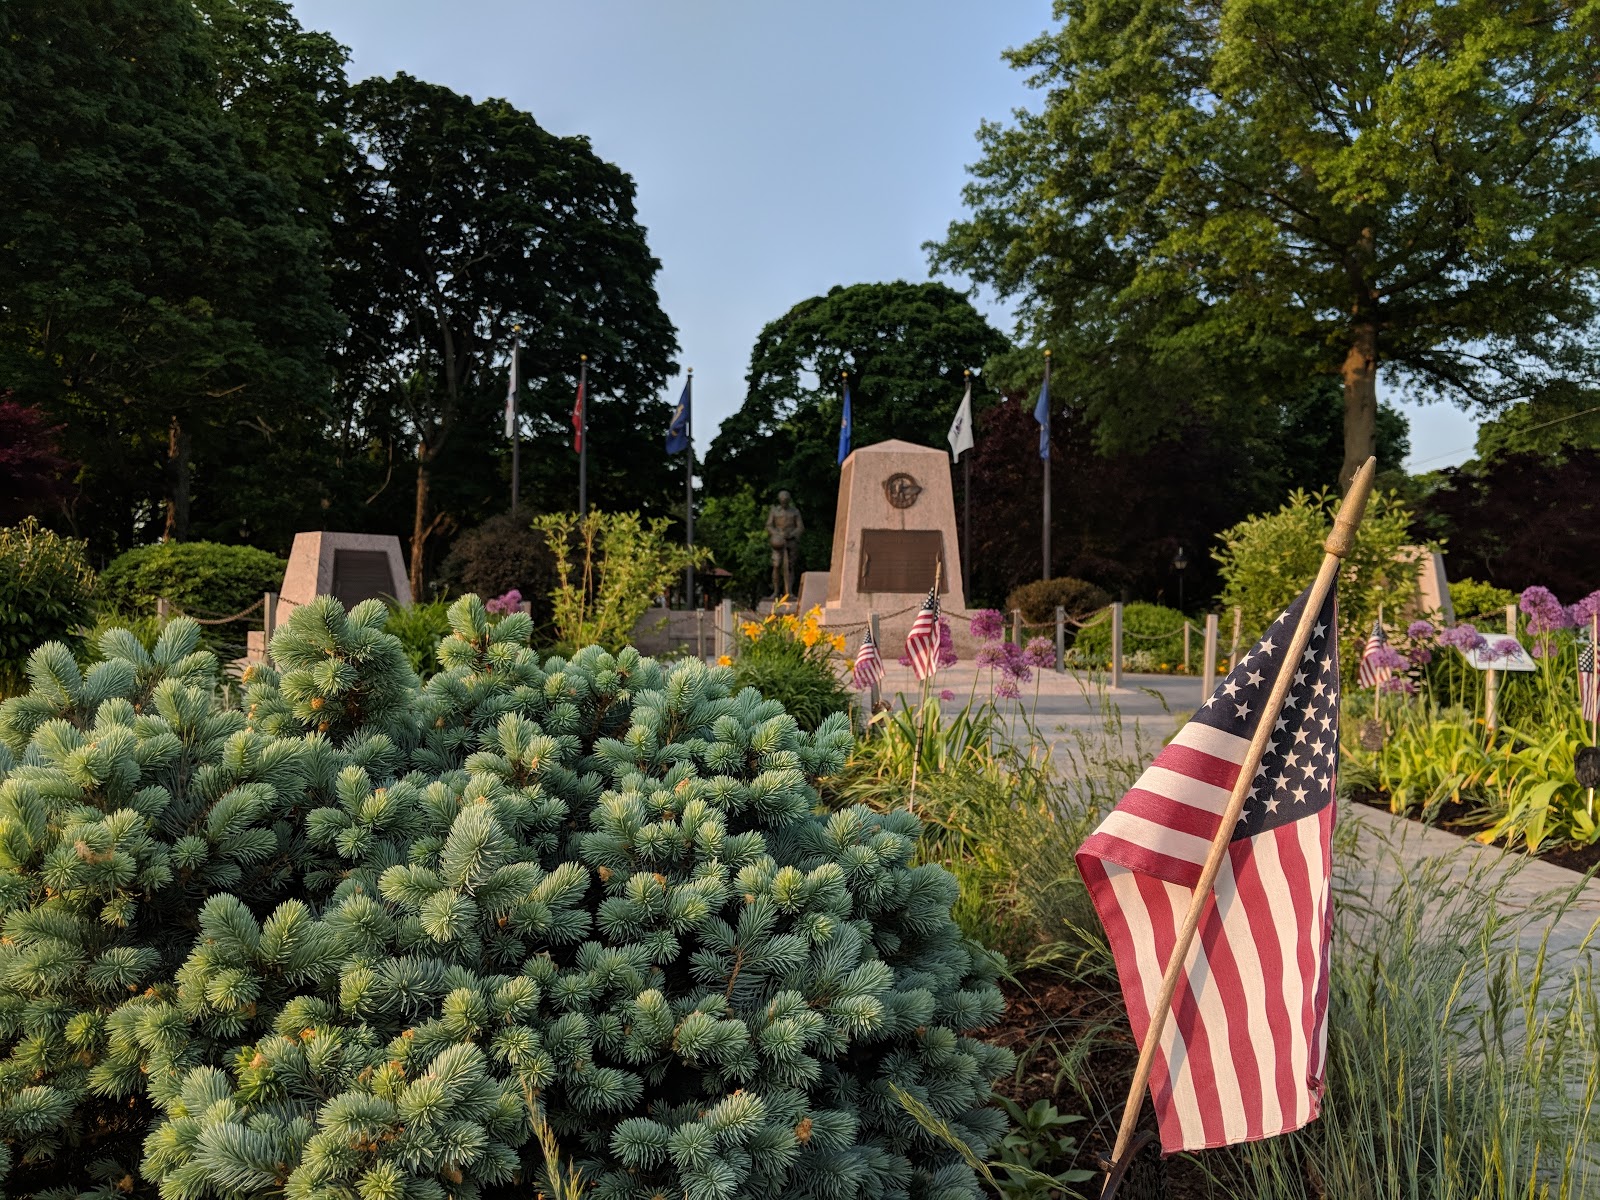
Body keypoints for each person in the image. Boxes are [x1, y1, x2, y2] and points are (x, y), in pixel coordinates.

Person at [765, 490, 804, 597]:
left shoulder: (795, 512)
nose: (784, 503)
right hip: (778, 542)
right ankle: (776, 591)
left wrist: (792, 534)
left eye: (786, 501)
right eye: (782, 501)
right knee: (776, 565)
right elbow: (769, 525)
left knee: (790, 566)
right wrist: (777, 534)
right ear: (779, 500)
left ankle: (789, 591)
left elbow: (800, 527)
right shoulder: (774, 511)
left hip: (791, 542)